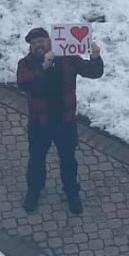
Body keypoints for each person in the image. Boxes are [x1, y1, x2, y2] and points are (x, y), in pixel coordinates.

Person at [16, 27, 104, 214]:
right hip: (40, 123)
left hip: (65, 122)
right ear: (30, 47)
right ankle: (34, 191)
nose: (38, 45)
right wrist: (44, 67)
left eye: (41, 41)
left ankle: (72, 193)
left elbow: (93, 72)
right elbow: (25, 84)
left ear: (50, 41)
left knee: (68, 160)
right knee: (36, 159)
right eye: (34, 43)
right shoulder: (26, 64)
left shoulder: (67, 58)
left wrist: (95, 57)